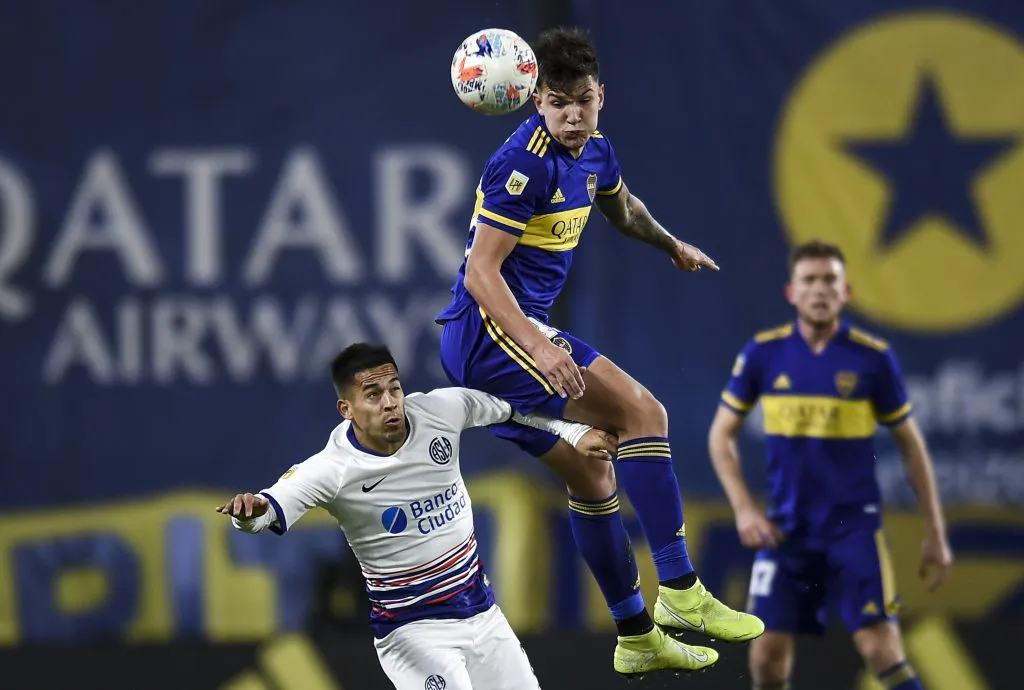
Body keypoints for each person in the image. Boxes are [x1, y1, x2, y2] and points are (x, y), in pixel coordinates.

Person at [436, 25, 762, 676]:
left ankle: (635, 634)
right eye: (558, 104)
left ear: (601, 97)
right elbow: (479, 273)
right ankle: (683, 592)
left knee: (593, 473)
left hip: (508, 335)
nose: (572, 116)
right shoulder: (524, 163)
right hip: (489, 335)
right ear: (537, 102)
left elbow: (624, 210)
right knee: (643, 414)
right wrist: (539, 346)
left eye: (583, 101)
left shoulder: (597, 154)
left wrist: (671, 245)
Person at [217, 343, 618, 690]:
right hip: (413, 631)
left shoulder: (440, 410)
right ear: (346, 409)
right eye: (373, 394)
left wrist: (573, 432)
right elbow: (267, 509)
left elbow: (512, 409)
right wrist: (247, 515)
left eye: (394, 388)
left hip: (482, 614)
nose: (390, 402)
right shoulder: (331, 469)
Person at [708, 240, 954, 690]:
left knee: (880, 649)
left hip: (853, 531)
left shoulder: (872, 357)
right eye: (810, 280)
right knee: (766, 658)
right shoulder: (764, 354)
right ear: (791, 292)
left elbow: (912, 446)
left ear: (847, 291)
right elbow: (720, 435)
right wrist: (744, 509)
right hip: (786, 530)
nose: (820, 289)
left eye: (829, 280)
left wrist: (935, 533)